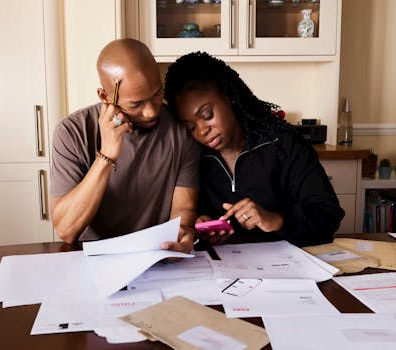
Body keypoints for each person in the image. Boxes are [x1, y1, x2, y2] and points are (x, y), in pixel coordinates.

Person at [164, 51, 344, 247]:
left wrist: (276, 220)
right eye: (189, 126)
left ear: (229, 97)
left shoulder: (283, 143)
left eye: (207, 114)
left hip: (287, 264)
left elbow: (328, 215)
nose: (202, 130)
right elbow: (188, 215)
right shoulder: (193, 155)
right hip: (221, 268)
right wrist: (202, 226)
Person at [49, 39, 200, 253]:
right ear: (105, 96)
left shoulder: (181, 128)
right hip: (92, 257)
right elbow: (67, 230)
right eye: (136, 104)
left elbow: (184, 207)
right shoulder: (72, 132)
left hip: (157, 254)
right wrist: (107, 155)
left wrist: (183, 232)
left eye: (157, 94)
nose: (151, 111)